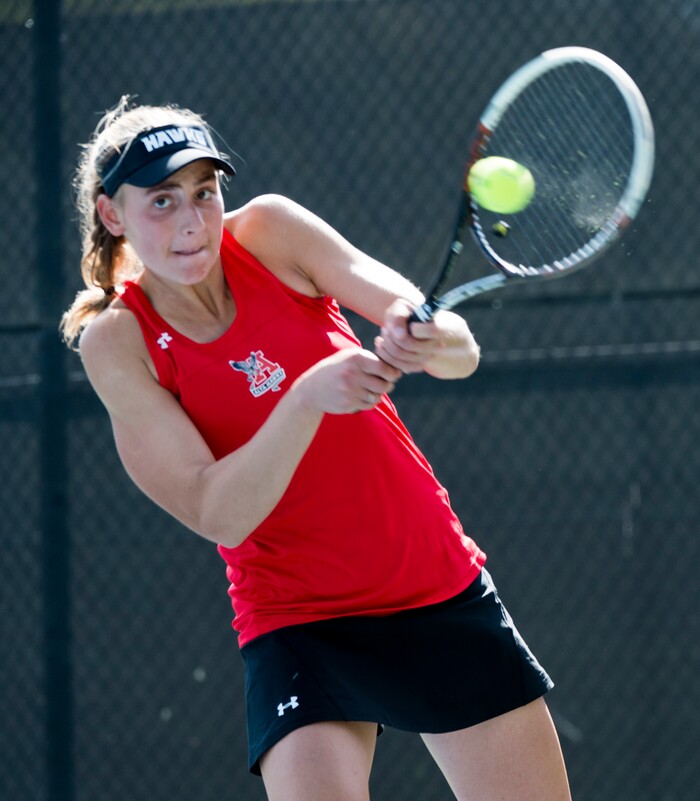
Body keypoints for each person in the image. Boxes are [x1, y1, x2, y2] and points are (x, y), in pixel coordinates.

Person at [61, 98, 572, 801]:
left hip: (432, 581)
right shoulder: (118, 344)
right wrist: (305, 397)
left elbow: (458, 350)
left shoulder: (272, 230)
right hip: (299, 621)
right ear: (112, 214)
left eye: (205, 194)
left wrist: (427, 339)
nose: (190, 222)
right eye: (162, 200)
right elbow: (218, 511)